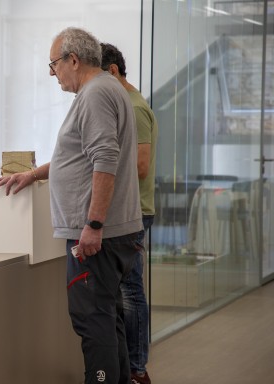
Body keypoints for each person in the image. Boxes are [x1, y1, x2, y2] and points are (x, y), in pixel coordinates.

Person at [0, 27, 143, 384]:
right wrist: (34, 174)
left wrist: (93, 225)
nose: (52, 73)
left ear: (73, 60)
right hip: (114, 233)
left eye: (53, 64)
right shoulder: (109, 89)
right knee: (108, 319)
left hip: (98, 237)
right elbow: (76, 156)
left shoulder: (94, 94)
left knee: (93, 321)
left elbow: (104, 158)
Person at [101, 43, 158, 384]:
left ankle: (137, 369)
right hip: (132, 210)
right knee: (127, 291)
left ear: (112, 72)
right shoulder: (130, 105)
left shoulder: (134, 109)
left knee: (131, 292)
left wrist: (105, 173)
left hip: (135, 211)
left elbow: (140, 165)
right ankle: (132, 366)